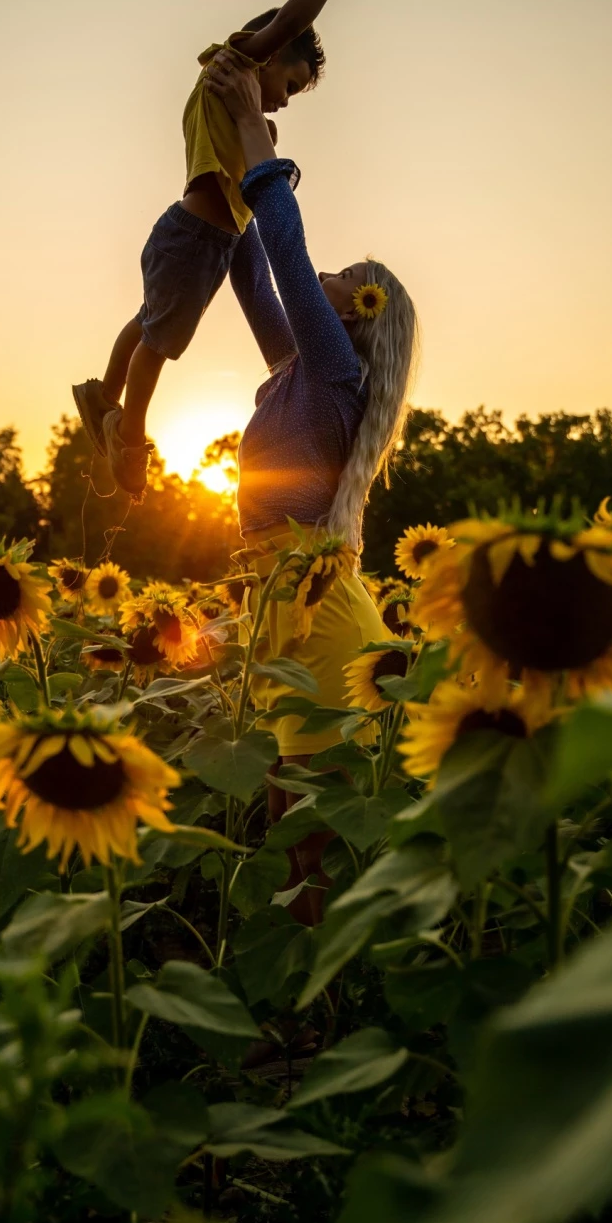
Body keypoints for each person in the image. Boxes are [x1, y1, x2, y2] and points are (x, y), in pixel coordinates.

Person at [205, 49, 418, 928]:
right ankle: (299, 1024)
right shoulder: (301, 373)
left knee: (304, 845)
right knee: (294, 838)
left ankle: (299, 1033)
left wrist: (256, 118)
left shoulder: (335, 376)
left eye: (343, 278)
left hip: (320, 625)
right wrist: (215, 161)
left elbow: (284, 243)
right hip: (294, 608)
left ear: (354, 313)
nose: (323, 275)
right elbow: (251, 267)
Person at [71, 0, 365, 498]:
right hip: (196, 238)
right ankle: (127, 437)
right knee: (159, 343)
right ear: (271, 56)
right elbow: (290, 19)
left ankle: (102, 397)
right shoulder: (236, 64)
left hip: (197, 236)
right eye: (291, 85)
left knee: (149, 321)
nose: (284, 100)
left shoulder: (233, 106)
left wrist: (257, 138)